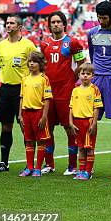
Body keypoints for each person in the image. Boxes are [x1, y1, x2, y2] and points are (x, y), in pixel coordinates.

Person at [40, 10, 86, 176]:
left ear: (64, 24)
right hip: (48, 91)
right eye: (53, 22)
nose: (55, 25)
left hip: (66, 91)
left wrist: (71, 79)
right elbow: (43, 65)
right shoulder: (44, 44)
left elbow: (81, 63)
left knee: (69, 128)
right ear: (49, 25)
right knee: (47, 127)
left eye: (58, 22)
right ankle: (49, 164)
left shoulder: (72, 42)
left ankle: (72, 165)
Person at [0, 15, 37, 172]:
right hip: (5, 90)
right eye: (7, 23)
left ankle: (30, 164)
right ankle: (4, 163)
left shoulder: (28, 45)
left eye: (12, 23)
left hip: (22, 90)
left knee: (25, 126)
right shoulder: (1, 46)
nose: (8, 25)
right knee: (6, 126)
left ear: (19, 27)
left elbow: (38, 65)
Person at [18, 51, 52, 177]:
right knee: (29, 141)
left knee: (41, 141)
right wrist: (20, 115)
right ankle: (29, 168)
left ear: (40, 64)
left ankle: (38, 168)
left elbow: (47, 99)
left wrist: (44, 116)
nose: (31, 64)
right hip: (26, 113)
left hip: (38, 113)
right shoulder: (25, 79)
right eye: (30, 61)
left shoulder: (44, 79)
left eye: (35, 62)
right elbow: (21, 97)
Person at [68, 63, 102, 180]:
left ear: (93, 76)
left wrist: (94, 123)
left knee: (90, 147)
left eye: (88, 74)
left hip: (88, 122)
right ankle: (81, 171)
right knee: (81, 147)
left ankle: (88, 172)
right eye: (83, 73)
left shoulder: (95, 90)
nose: (85, 76)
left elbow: (96, 108)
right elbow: (71, 107)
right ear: (79, 75)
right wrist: (71, 122)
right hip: (77, 122)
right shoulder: (75, 90)